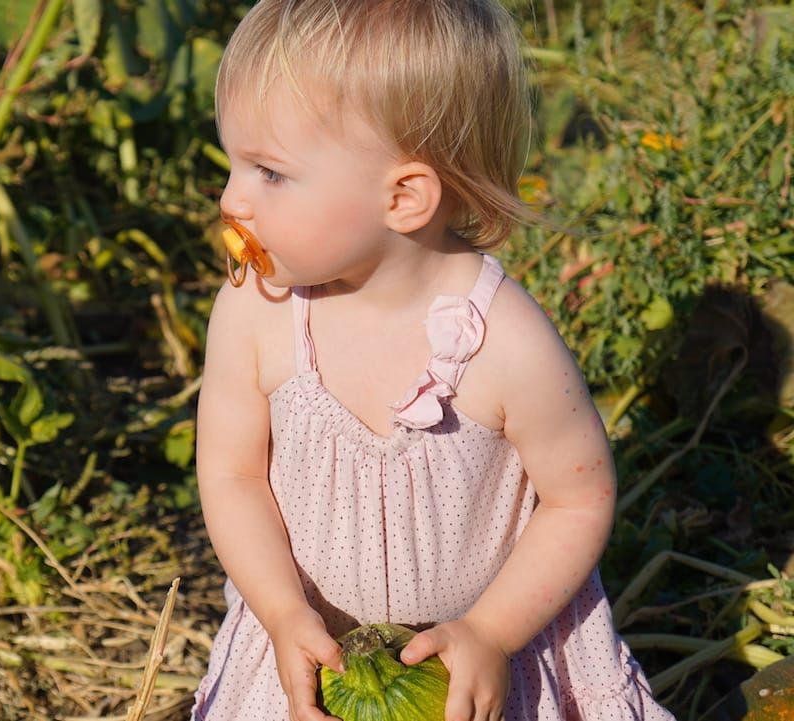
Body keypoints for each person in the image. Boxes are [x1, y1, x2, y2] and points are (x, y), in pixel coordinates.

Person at [190, 2, 676, 720]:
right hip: (306, 651)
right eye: (235, 162)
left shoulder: (503, 341)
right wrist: (281, 610)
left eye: (270, 173)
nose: (233, 198)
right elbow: (232, 474)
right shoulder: (257, 312)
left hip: (478, 668)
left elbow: (579, 499)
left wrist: (491, 630)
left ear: (405, 195)